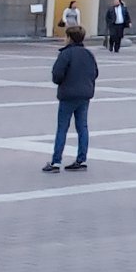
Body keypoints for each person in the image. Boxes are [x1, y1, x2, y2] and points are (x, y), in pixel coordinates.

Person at [43, 25, 98, 172]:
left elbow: (57, 75)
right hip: (85, 94)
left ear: (69, 38)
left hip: (68, 95)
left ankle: (56, 161)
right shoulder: (88, 54)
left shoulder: (66, 54)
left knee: (62, 128)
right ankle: (81, 159)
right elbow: (95, 73)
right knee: (82, 127)